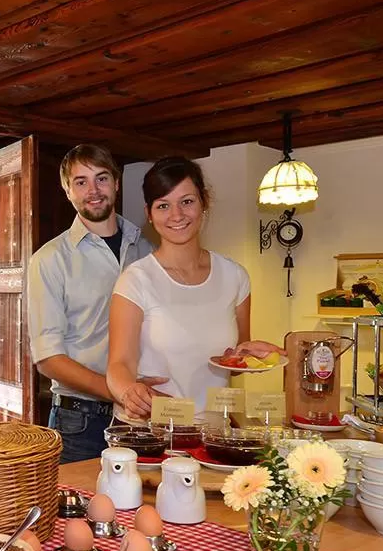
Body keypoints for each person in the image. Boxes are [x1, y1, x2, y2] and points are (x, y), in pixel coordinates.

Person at [106, 157, 280, 418]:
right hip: (152, 429)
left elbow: (233, 362)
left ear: (204, 202)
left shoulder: (235, 276)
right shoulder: (136, 279)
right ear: (149, 214)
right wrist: (129, 392)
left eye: (187, 201)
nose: (177, 215)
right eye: (163, 205)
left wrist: (251, 356)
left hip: (214, 430)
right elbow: (119, 364)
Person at [27, 144, 157, 462]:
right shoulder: (49, 259)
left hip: (145, 419)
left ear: (116, 182)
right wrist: (121, 390)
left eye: (101, 178)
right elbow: (48, 358)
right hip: (79, 423)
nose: (93, 190)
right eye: (81, 182)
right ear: (67, 191)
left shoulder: (148, 250)